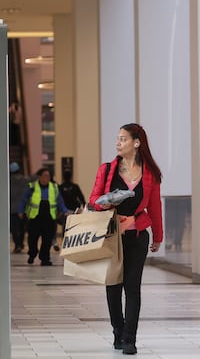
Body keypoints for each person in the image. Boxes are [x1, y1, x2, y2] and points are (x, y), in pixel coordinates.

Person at [89, 123, 163, 355]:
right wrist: (107, 201)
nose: (118, 142)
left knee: (133, 287)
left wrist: (158, 236)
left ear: (136, 142)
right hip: (111, 236)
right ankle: (118, 332)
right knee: (113, 286)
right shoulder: (107, 169)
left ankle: (130, 338)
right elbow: (93, 200)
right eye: (118, 138)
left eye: (123, 139)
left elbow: (155, 207)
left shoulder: (150, 175)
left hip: (138, 235)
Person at [18, 167, 69, 266]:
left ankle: (45, 258)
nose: (47, 178)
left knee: (47, 239)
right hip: (35, 217)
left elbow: (60, 200)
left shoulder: (54, 187)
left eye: (49, 176)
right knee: (32, 238)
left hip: (49, 217)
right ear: (40, 177)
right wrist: (20, 211)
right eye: (45, 175)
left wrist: (64, 210)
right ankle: (32, 254)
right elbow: (24, 199)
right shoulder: (32, 187)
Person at [55, 170, 87, 250]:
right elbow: (81, 197)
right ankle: (74, 243)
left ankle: (65, 243)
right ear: (71, 177)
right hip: (74, 210)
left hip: (65, 211)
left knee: (65, 227)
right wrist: (84, 206)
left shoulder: (61, 187)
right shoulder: (75, 186)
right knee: (74, 227)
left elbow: (58, 200)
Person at [9, 162, 28, 253]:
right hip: (23, 208)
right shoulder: (25, 180)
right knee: (22, 228)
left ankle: (17, 244)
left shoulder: (8, 181)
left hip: (12, 209)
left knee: (14, 229)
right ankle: (20, 243)